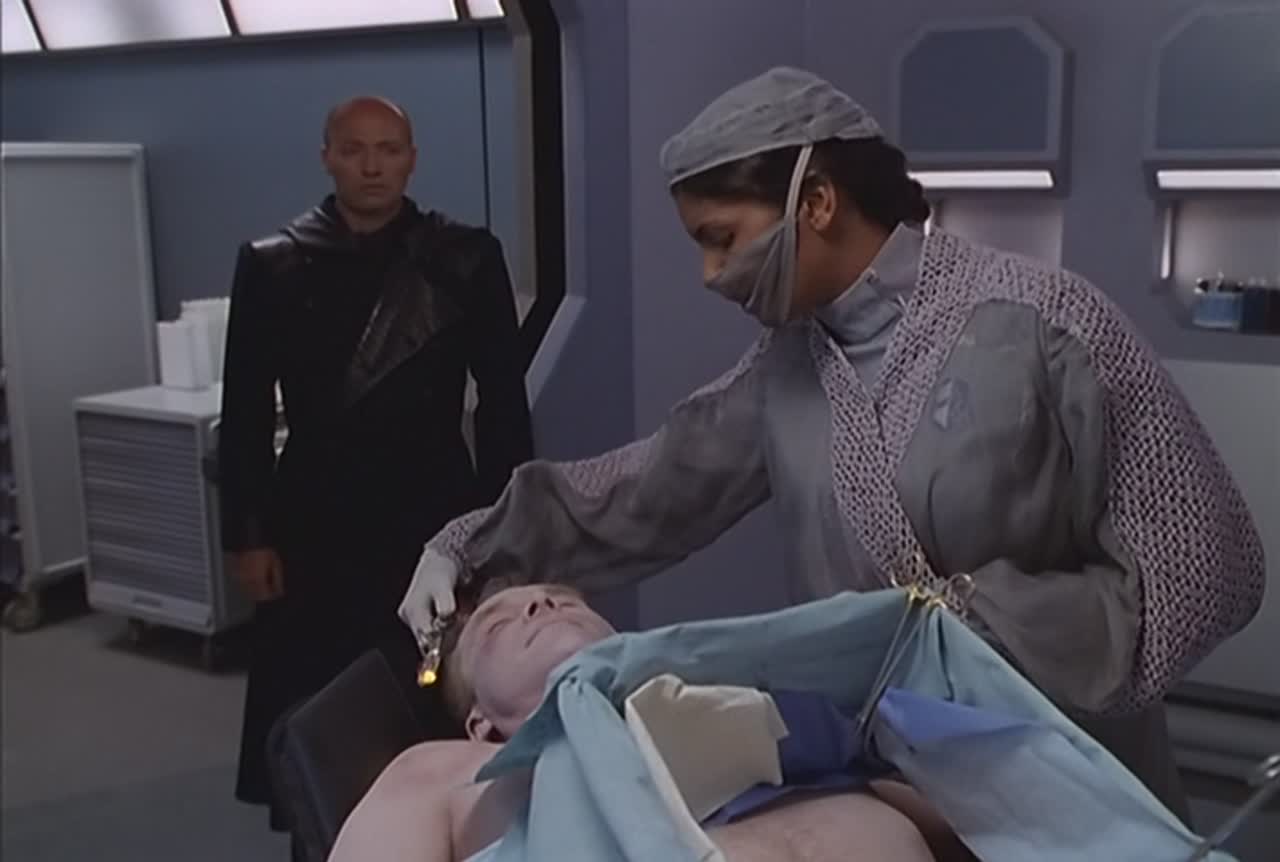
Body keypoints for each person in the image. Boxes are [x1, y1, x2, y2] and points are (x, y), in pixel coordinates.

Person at [399, 68, 1266, 818]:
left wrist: (966, 632)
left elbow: (1206, 572)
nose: (710, 274)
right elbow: (647, 488)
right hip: (900, 784)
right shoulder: (787, 370)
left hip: (1072, 773)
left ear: (814, 202)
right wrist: (468, 545)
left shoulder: (1047, 325)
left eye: (721, 239)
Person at [219, 95, 534, 832]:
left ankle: (436, 830)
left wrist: (504, 526)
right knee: (318, 689)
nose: (372, 166)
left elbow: (503, 404)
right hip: (314, 513)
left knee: (430, 684)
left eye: (389, 150)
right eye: (355, 149)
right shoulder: (273, 264)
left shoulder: (463, 258)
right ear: (327, 157)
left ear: (411, 160)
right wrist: (248, 533)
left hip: (432, 509)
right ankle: (322, 834)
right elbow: (246, 409)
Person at [332, 583, 972, 862]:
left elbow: (989, 821)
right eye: (499, 624)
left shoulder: (750, 716)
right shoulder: (445, 774)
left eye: (561, 600)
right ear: (481, 725)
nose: (541, 603)